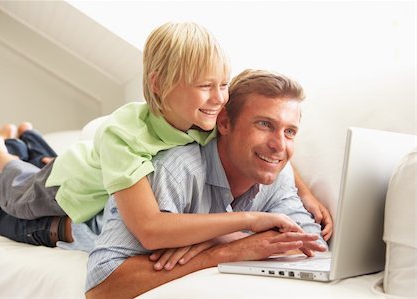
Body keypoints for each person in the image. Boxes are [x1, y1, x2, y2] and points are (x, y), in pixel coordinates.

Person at [0, 22, 332, 250]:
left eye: (222, 85)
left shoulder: (205, 118)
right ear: (160, 85)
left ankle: (28, 135)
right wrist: (248, 224)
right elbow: (149, 226)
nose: (219, 99)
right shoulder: (124, 138)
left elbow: (269, 147)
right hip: (64, 186)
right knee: (13, 185)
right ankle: (0, 142)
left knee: (49, 157)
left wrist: (305, 191)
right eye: (205, 86)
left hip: (94, 170)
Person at [85, 69, 328, 299]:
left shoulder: (279, 176)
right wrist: (227, 252)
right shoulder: (176, 169)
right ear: (223, 123)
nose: (279, 146)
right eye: (264, 124)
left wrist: (223, 238)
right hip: (62, 207)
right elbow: (101, 286)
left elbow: (313, 249)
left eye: (290, 132)